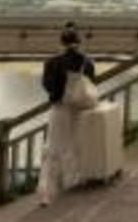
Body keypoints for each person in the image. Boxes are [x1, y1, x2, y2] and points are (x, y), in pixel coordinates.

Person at [37, 22, 96, 206]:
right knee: (77, 144)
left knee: (53, 148)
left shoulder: (52, 62)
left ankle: (47, 191)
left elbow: (47, 85)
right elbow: (91, 84)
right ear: (78, 42)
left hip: (60, 109)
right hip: (80, 110)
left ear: (61, 42)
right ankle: (75, 179)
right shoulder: (87, 62)